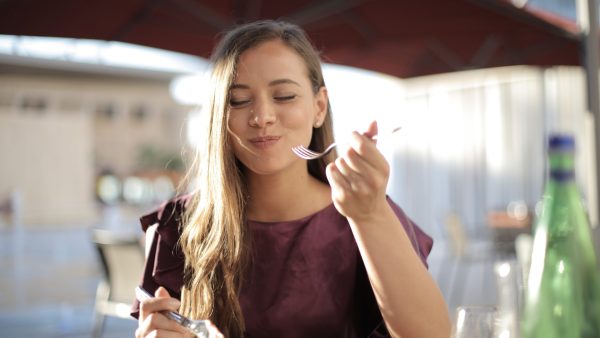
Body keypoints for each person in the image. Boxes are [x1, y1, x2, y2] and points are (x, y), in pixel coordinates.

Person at [132, 20, 451, 338]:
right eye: (239, 100)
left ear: (319, 107)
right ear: (219, 116)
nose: (262, 117)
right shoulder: (177, 226)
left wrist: (370, 215)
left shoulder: (365, 213)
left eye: (284, 96)